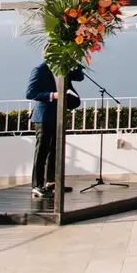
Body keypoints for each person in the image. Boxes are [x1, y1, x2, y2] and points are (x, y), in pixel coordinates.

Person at [25, 62, 83, 204]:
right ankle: (36, 185)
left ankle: (51, 181)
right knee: (41, 151)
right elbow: (30, 93)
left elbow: (79, 77)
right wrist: (53, 95)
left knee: (55, 149)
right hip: (43, 117)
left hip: (59, 115)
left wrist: (78, 62)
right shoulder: (39, 70)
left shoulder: (63, 68)